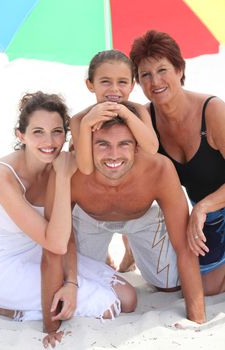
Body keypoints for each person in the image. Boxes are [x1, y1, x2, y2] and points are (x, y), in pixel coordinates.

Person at [43, 105, 206, 346]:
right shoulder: (71, 171)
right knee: (91, 283)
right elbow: (58, 241)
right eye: (102, 144)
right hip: (89, 220)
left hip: (142, 218)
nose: (113, 155)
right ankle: (107, 255)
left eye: (124, 144)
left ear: (137, 146)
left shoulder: (159, 168)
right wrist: (51, 324)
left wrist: (197, 320)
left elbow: (183, 245)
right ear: (87, 146)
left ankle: (131, 249)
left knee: (170, 286)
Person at [0, 92, 136, 339]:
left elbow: (63, 235)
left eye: (57, 131)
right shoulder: (1, 177)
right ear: (21, 135)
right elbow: (55, 241)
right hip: (2, 265)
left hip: (43, 253)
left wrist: (71, 283)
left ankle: (31, 303)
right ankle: (5, 307)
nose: (49, 141)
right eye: (38, 132)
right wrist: (62, 177)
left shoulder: (56, 164)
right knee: (107, 306)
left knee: (128, 297)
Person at [129, 29, 225, 296]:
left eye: (162, 70)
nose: (155, 81)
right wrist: (129, 247)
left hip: (210, 207)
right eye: (145, 75)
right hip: (208, 216)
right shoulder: (146, 121)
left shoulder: (213, 111)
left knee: (208, 287)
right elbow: (136, 181)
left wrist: (203, 206)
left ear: (180, 69)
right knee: (196, 284)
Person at [70, 49, 159, 272]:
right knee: (90, 270)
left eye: (122, 82)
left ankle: (130, 250)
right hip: (96, 203)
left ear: (132, 85)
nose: (114, 89)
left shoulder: (138, 111)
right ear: (90, 85)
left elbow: (151, 149)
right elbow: (86, 167)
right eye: (105, 81)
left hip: (135, 199)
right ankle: (107, 254)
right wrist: (87, 126)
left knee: (166, 284)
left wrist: (125, 114)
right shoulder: (80, 119)